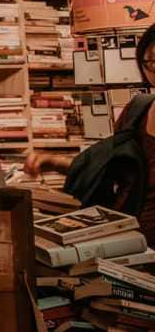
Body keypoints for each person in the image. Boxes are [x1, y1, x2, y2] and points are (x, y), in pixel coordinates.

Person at [24, 23, 155, 224]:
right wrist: (52, 162)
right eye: (152, 62)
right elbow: (105, 170)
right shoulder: (137, 111)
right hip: (128, 236)